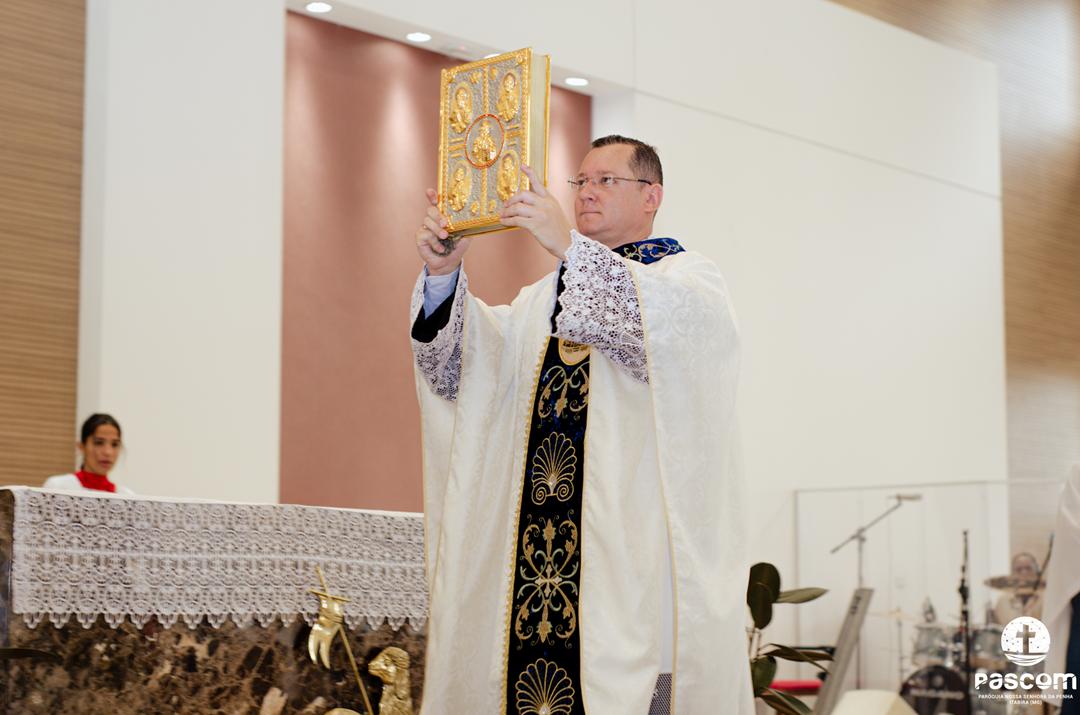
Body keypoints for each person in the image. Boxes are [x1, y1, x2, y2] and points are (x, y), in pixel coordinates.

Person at [409, 135, 753, 714]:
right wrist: (443, 277)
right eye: (581, 182)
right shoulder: (539, 301)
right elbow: (464, 379)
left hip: (629, 569)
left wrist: (566, 246)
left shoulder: (689, 284)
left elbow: (659, 341)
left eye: (606, 181)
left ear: (652, 196)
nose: (587, 192)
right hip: (535, 572)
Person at [43, 413, 134, 495]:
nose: (108, 452)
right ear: (82, 447)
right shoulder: (57, 487)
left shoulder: (127, 497)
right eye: (99, 443)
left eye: (114, 444)